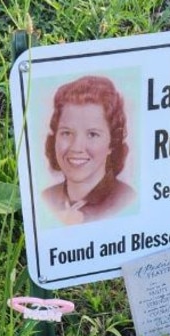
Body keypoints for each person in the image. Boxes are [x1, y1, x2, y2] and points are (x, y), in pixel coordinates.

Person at [42, 75, 135, 225]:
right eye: (66, 133)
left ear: (112, 142)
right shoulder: (44, 199)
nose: (76, 147)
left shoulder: (127, 200)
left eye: (92, 134)